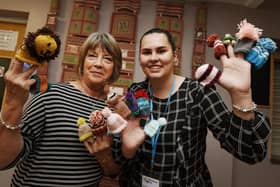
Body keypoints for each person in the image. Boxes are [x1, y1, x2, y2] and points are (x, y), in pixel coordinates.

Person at [111, 28, 271, 187]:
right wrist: (127, 149)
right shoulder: (135, 92)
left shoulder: (198, 92)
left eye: (161, 51)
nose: (153, 58)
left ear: (175, 57)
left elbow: (250, 153)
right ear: (140, 59)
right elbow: (120, 155)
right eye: (146, 52)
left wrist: (241, 96)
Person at [0, 32, 122, 186]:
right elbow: (4, 159)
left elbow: (113, 172)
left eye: (108, 59)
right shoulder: (51, 95)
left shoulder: (114, 112)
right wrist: (12, 103)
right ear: (82, 62)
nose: (98, 64)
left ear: (115, 68)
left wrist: (104, 156)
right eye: (92, 56)